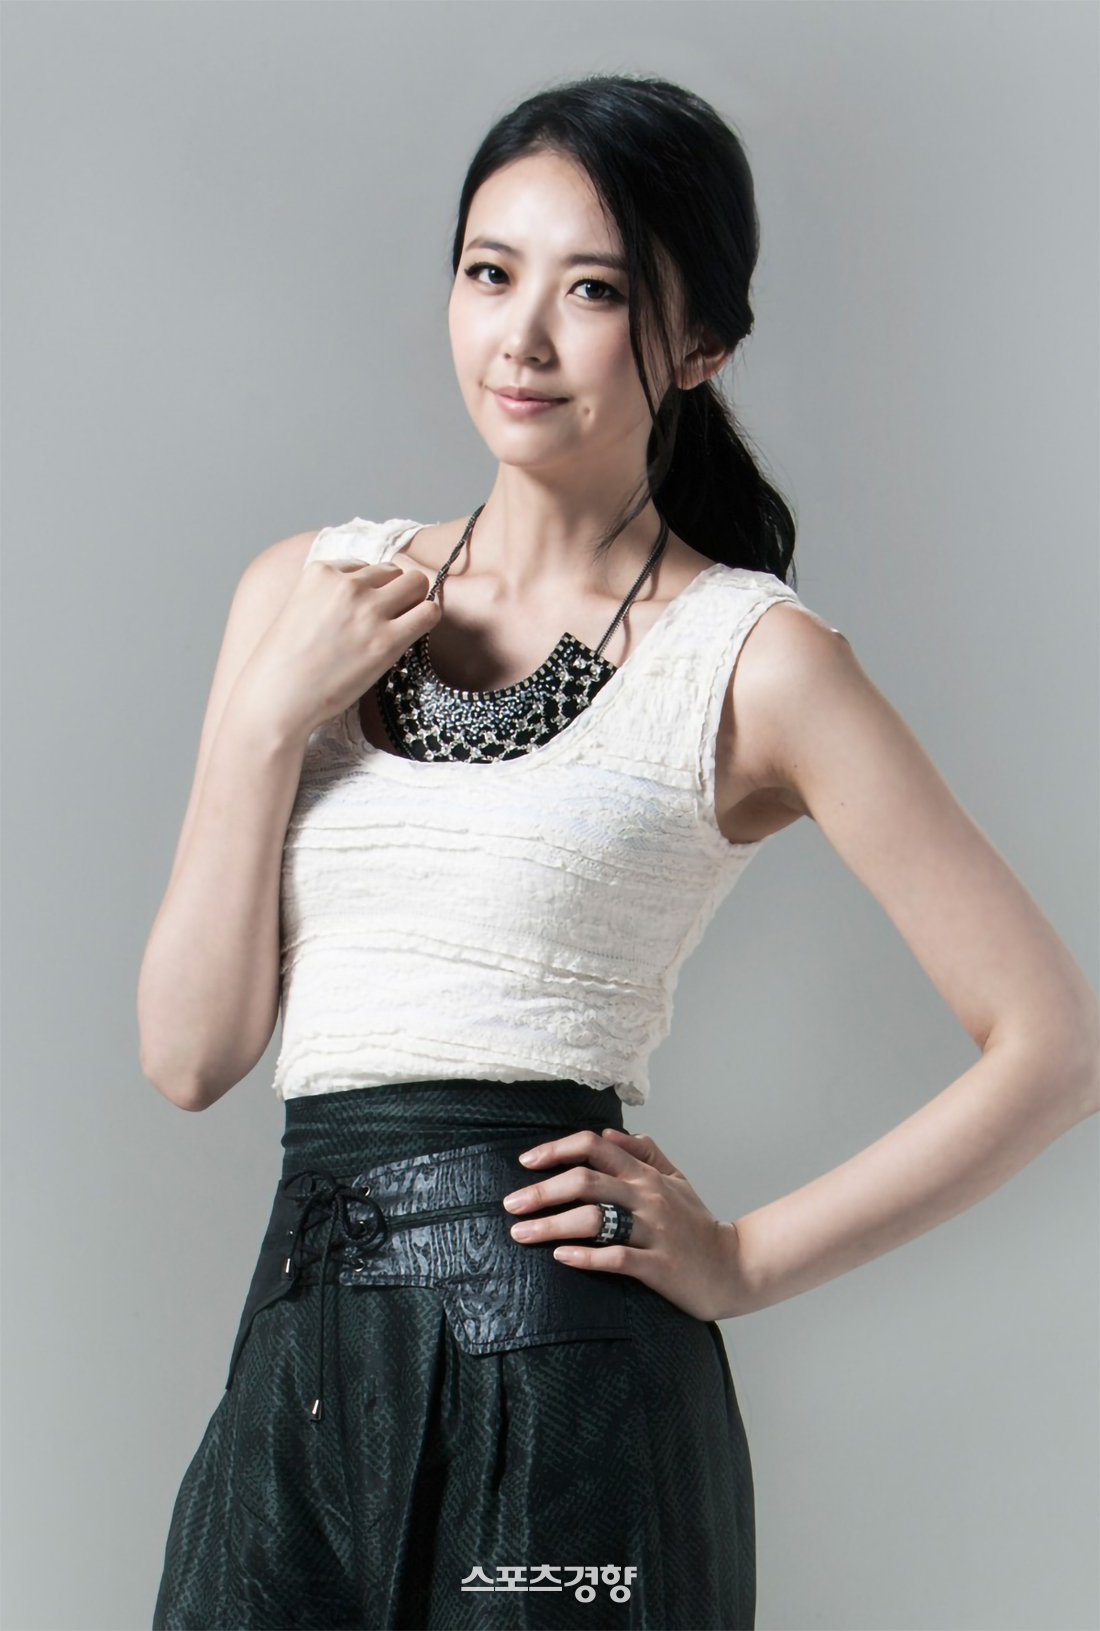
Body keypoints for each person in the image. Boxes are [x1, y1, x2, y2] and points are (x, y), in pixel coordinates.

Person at [141, 73, 1098, 1631]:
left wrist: (745, 1259)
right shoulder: (306, 596)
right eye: (489, 271)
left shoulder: (751, 658)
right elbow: (189, 1056)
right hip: (302, 1365)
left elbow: (1057, 1045)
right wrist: (263, 724)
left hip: (565, 1384)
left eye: (593, 292)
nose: (520, 338)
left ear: (701, 344)